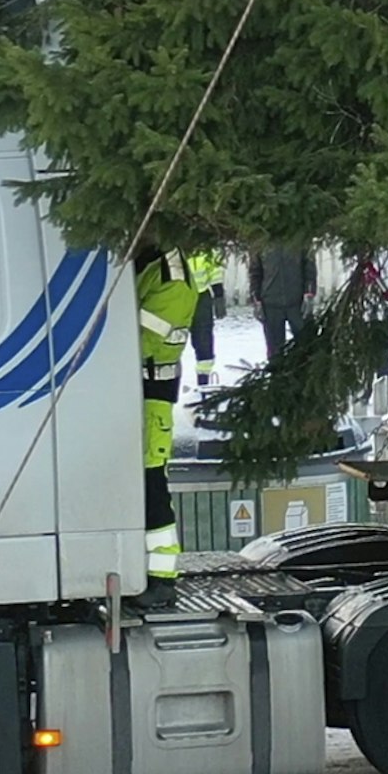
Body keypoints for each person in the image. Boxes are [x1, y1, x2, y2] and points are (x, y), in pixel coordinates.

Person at [136, 248, 212, 583]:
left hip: (151, 397)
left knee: (151, 484)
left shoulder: (172, 277)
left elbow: (144, 340)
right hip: (137, 393)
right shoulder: (150, 265)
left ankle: (161, 575)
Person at [249, 241, 313, 361]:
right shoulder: (260, 240)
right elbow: (255, 273)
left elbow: (309, 267)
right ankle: (277, 371)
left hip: (298, 303)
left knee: (307, 347)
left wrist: (309, 293)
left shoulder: (298, 237)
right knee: (275, 353)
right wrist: (256, 300)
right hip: (270, 304)